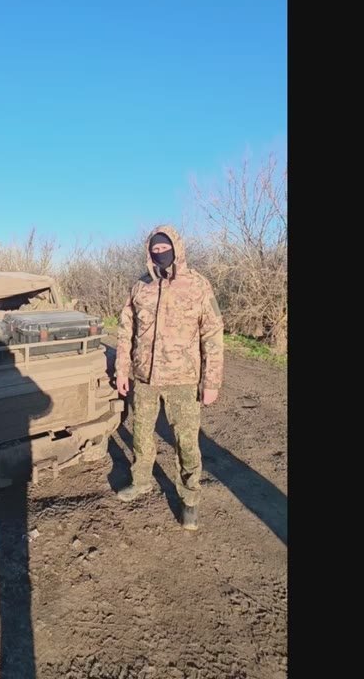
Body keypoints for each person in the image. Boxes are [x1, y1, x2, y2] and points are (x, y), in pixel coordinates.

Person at [114, 225, 224, 530]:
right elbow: (125, 331)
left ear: (176, 249)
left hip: (183, 379)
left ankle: (190, 499)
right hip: (145, 379)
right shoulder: (140, 286)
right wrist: (122, 369)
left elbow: (213, 334)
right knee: (141, 433)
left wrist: (211, 382)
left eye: (164, 248)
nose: (159, 253)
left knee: (186, 441)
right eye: (155, 249)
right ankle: (141, 481)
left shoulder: (198, 285)